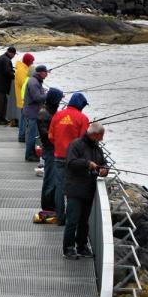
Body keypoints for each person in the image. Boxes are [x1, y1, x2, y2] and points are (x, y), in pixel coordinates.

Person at [63, 121, 108, 259]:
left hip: (88, 190)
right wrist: (87, 164)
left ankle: (82, 246)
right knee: (73, 220)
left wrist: (104, 170)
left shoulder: (96, 148)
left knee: (84, 221)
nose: (102, 139)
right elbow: (71, 163)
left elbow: (103, 163)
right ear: (94, 135)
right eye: (101, 136)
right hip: (75, 190)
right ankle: (68, 248)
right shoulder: (76, 145)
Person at [48, 92, 89, 226]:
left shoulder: (57, 115)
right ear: (80, 105)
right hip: (75, 160)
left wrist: (60, 145)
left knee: (60, 188)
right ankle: (73, 220)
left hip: (59, 157)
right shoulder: (83, 118)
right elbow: (84, 141)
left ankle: (60, 218)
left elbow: (51, 137)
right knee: (74, 189)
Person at [36, 87, 64, 213]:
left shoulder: (50, 113)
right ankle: (47, 206)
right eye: (58, 100)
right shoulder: (44, 114)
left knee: (52, 178)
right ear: (54, 101)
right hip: (50, 150)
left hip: (53, 149)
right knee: (50, 178)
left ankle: (51, 203)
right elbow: (46, 135)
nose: (59, 103)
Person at [23, 64, 48, 161]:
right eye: (46, 72)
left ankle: (32, 153)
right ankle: (29, 155)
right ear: (41, 73)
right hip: (32, 113)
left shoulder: (36, 81)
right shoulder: (34, 83)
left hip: (34, 112)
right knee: (32, 135)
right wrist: (48, 95)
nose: (47, 74)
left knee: (33, 134)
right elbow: (37, 98)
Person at [0, 46, 17, 124]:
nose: (14, 56)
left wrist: (12, 71)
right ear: (11, 53)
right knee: (0, 103)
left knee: (2, 102)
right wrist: (15, 76)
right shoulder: (6, 60)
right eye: (14, 54)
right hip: (0, 86)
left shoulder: (3, 58)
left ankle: (1, 118)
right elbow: (7, 72)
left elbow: (6, 70)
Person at [14, 53, 34, 144]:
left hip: (24, 99)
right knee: (23, 119)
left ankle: (22, 135)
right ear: (28, 61)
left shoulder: (24, 69)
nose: (33, 63)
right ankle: (22, 136)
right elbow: (24, 84)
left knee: (24, 118)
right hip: (24, 99)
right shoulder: (22, 70)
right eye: (32, 61)